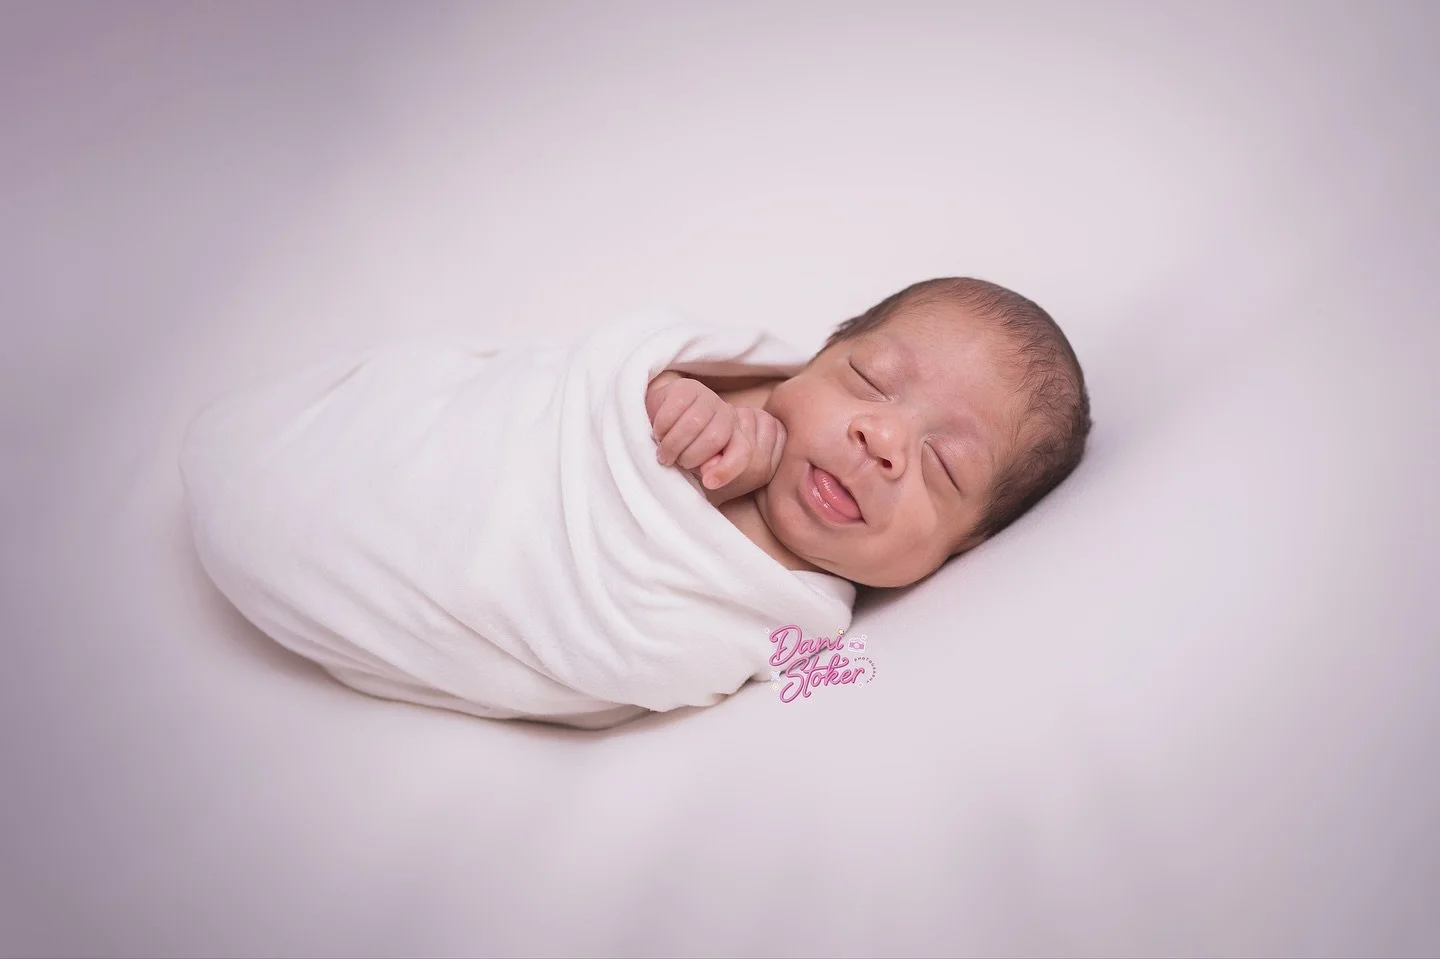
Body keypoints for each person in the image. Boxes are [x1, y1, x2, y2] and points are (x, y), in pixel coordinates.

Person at [646, 277, 1092, 589]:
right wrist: (666, 397)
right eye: (870, 380)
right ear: (819, 356)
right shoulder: (722, 384)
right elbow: (607, 387)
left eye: (942, 465)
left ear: (965, 544)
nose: (883, 439)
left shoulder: (797, 621)